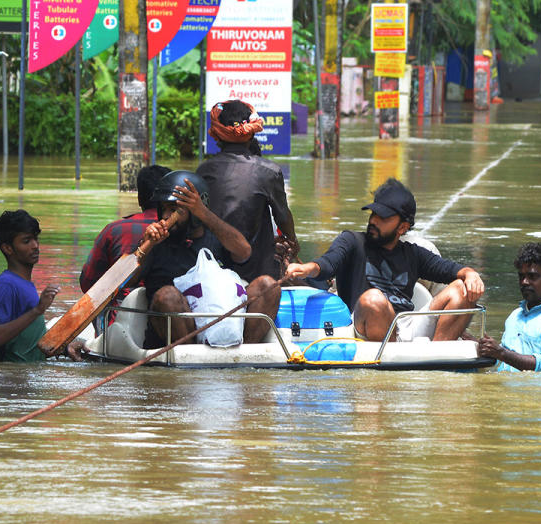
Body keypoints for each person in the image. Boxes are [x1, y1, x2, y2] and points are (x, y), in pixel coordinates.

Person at [285, 178, 484, 342]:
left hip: (406, 324)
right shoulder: (353, 241)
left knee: (462, 288)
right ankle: (389, 362)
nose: (373, 221)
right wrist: (309, 268)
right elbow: (328, 262)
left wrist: (470, 273)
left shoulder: (414, 254)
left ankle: (438, 360)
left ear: (402, 228)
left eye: (383, 217)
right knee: (374, 299)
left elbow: (449, 269)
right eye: (373, 214)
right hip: (363, 323)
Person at [137, 170, 280, 345]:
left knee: (268, 286)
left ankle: (244, 356)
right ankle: (191, 360)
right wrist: (147, 244)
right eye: (164, 209)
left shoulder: (216, 237)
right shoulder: (155, 242)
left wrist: (203, 213)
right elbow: (126, 282)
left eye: (174, 210)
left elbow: (244, 252)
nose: (166, 216)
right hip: (178, 335)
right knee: (167, 295)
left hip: (223, 324)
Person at [196, 99, 298, 281]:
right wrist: (293, 244)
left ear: (217, 135)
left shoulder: (203, 171)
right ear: (251, 134)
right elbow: (282, 217)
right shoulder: (269, 171)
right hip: (257, 273)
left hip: (210, 269)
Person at [0, 210, 83, 363]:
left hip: (27, 377)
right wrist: (37, 310)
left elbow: (27, 341)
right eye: (26, 241)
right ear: (7, 248)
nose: (35, 246)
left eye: (36, 239)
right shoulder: (6, 285)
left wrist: (64, 349)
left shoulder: (24, 284)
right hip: (12, 380)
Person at [474, 242, 541, 372]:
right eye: (521, 276)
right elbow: (503, 361)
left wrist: (500, 353)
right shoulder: (515, 316)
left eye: (532, 276)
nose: (524, 282)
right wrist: (479, 346)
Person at [79, 164, 170, 294]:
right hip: (168, 309)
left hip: (119, 310)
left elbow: (87, 283)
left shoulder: (113, 230)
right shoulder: (186, 230)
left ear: (139, 199)